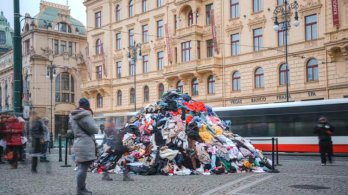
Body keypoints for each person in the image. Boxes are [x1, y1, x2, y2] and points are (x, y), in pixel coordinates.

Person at [70, 98, 98, 195]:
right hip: (85, 143)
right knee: (83, 168)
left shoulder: (73, 115)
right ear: (87, 105)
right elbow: (94, 129)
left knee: (82, 167)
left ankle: (82, 188)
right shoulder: (85, 115)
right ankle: (80, 190)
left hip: (78, 142)